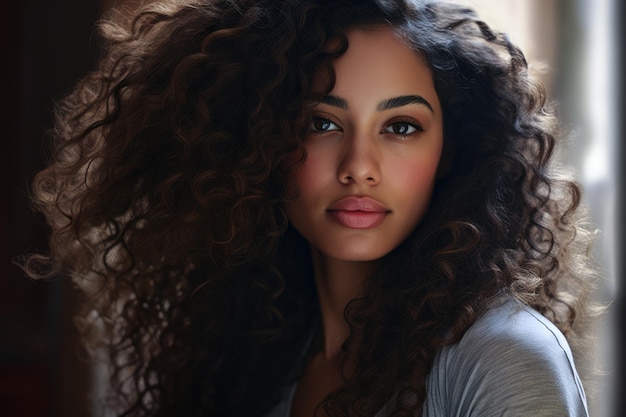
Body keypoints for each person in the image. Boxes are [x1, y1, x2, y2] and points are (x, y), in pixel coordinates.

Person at [23, 0, 598, 415]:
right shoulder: (258, 349)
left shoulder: (500, 359)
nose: (359, 165)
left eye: (401, 126)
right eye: (321, 123)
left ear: (451, 151)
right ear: (261, 145)